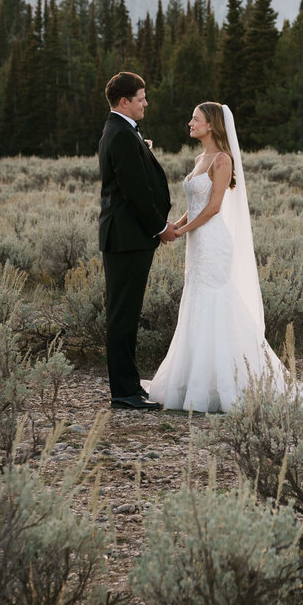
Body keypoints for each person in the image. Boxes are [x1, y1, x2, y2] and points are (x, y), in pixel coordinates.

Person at [144, 100, 303, 413]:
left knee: (216, 302)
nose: (190, 122)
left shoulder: (222, 160)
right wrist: (176, 225)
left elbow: (213, 208)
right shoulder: (200, 158)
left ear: (211, 125)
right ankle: (198, 380)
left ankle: (231, 380)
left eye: (195, 118)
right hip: (197, 242)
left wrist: (182, 232)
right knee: (197, 301)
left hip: (212, 241)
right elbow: (195, 206)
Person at [97, 71, 175, 410]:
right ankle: (124, 392)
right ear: (124, 101)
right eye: (141, 98)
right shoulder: (121, 135)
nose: (146, 103)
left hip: (128, 238)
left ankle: (128, 386)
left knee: (126, 313)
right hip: (127, 238)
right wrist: (160, 227)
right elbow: (135, 193)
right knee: (122, 314)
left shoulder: (122, 131)